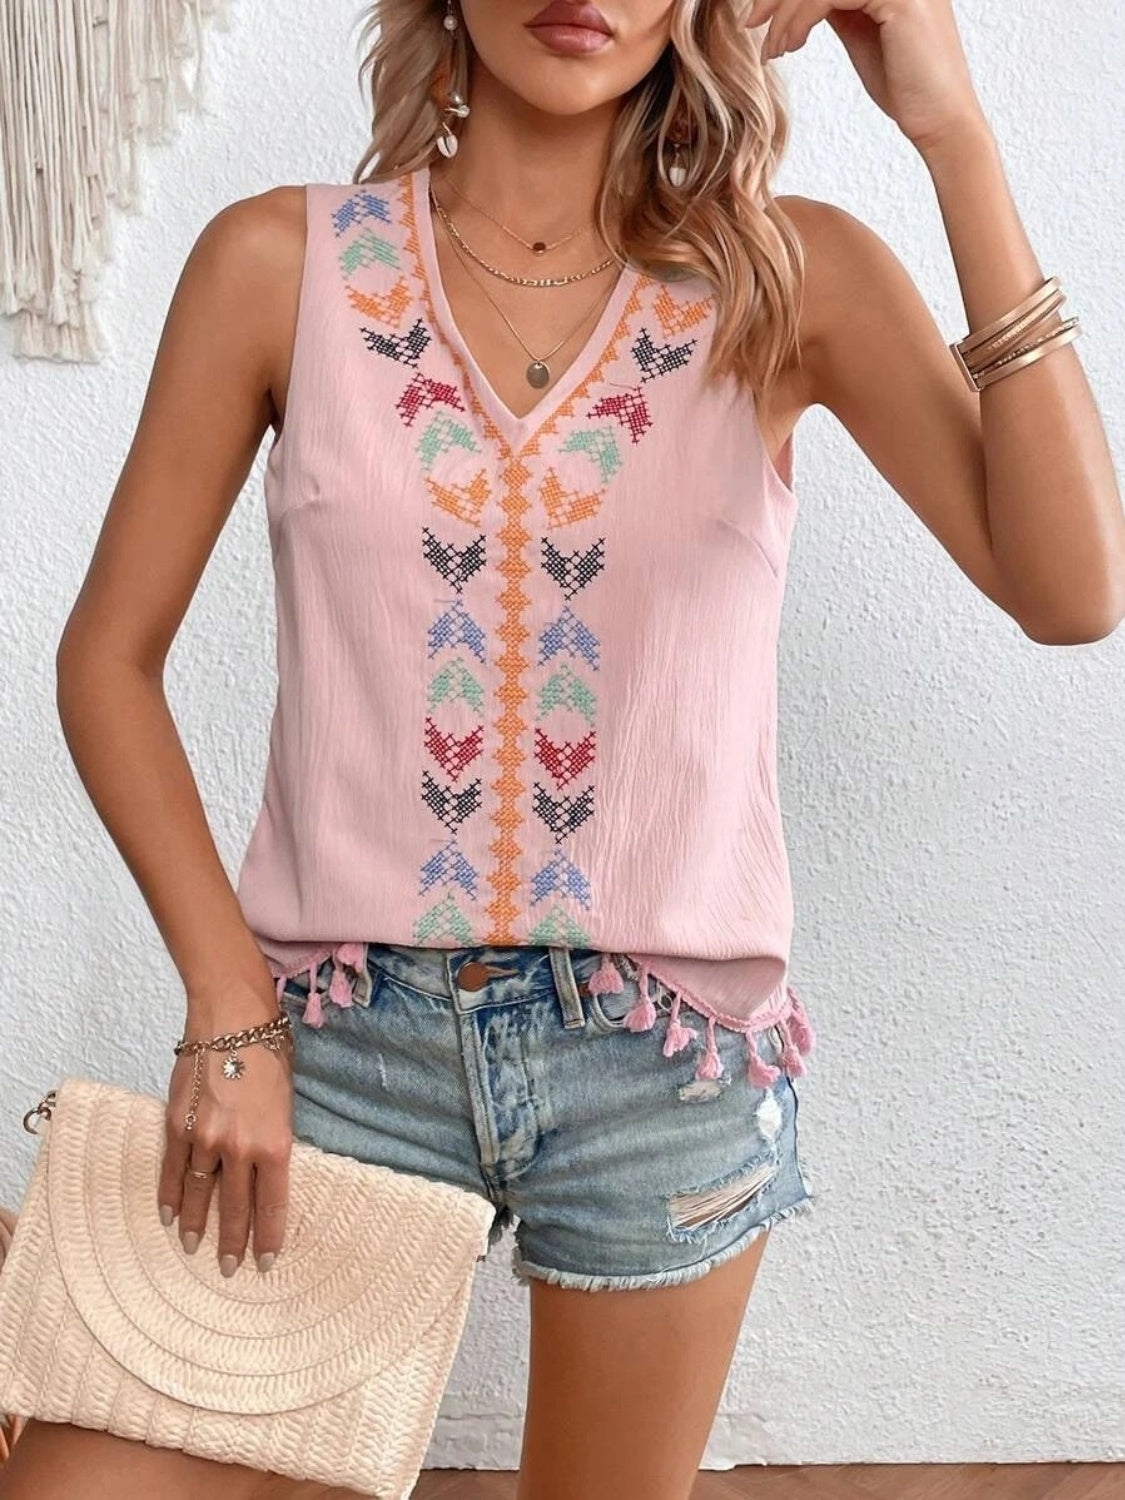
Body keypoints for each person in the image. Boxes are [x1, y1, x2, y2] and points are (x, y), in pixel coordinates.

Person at [5, 1, 1122, 1497]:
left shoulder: (789, 278)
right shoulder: (279, 265)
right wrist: (227, 1011)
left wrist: (954, 135)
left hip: (664, 1058)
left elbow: (1071, 591)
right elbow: (107, 661)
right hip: (333, 1042)